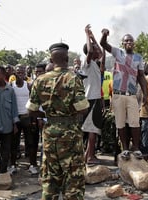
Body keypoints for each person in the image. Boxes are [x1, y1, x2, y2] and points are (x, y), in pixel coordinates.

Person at [26, 42, 89, 199]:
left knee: (50, 177)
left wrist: (47, 115)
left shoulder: (40, 80)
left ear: (51, 59)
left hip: (49, 132)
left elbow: (31, 110)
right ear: (67, 58)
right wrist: (68, 112)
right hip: (70, 134)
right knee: (73, 178)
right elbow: (83, 108)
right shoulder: (73, 79)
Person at [100, 28, 148, 160]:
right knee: (120, 123)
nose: (129, 42)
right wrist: (104, 35)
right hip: (117, 94)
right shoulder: (118, 53)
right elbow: (103, 44)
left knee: (134, 123)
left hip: (131, 95)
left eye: (131, 40)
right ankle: (125, 148)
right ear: (123, 43)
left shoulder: (139, 58)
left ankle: (136, 148)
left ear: (134, 43)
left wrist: (146, 94)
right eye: (126, 40)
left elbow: (141, 77)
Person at [0, 65, 19, 174]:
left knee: (6, 150)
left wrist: (15, 124)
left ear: (3, 75)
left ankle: (2, 172)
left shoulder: (10, 90)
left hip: (7, 124)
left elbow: (14, 108)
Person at [10, 64, 40, 175]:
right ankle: (12, 166)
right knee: (14, 143)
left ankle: (32, 165)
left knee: (31, 143)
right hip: (15, 119)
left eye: (22, 71)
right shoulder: (11, 86)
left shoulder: (29, 85)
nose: (20, 73)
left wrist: (33, 120)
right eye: (18, 71)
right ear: (15, 73)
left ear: (25, 73)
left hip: (27, 117)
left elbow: (34, 102)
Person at [81, 24, 104, 165]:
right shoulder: (87, 62)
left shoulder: (95, 63)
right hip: (90, 99)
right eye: (94, 48)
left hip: (95, 98)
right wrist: (86, 34)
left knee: (93, 129)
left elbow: (100, 52)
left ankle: (89, 155)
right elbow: (90, 52)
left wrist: (93, 36)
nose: (96, 50)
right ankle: (89, 156)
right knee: (91, 129)